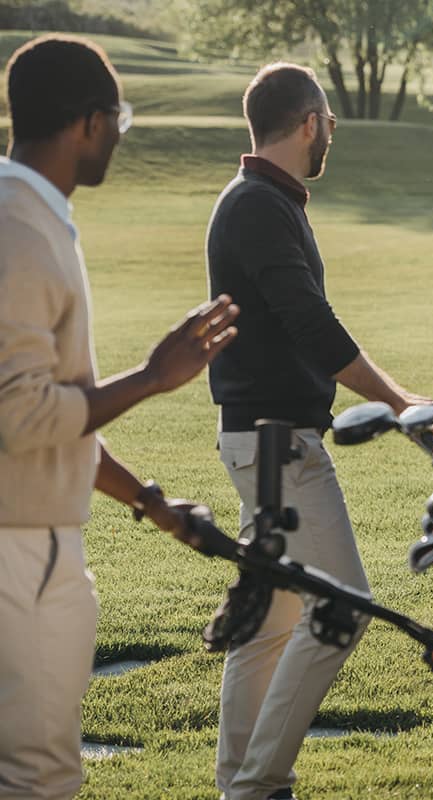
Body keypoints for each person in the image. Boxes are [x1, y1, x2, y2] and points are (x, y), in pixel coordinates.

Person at [0, 35, 240, 799]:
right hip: (20, 549)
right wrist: (152, 377)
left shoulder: (29, 217)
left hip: (35, 541)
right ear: (89, 124)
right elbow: (23, 417)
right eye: (119, 119)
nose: (119, 137)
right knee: (40, 777)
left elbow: (52, 415)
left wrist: (149, 504)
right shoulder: (20, 231)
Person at [205, 62, 432, 800]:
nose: (330, 131)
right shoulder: (259, 207)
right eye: (328, 121)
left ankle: (243, 784)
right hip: (277, 445)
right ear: (309, 122)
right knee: (341, 607)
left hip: (265, 442)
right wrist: (400, 401)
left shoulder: (264, 200)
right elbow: (310, 324)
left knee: (271, 623)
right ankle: (261, 781)